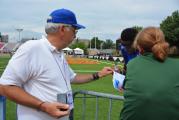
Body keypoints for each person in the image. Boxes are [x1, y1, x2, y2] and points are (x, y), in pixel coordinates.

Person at [0, 8, 113, 120]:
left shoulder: (58, 53)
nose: (75, 36)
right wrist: (43, 106)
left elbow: (73, 78)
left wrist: (99, 74)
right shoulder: (32, 48)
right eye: (75, 30)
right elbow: (5, 87)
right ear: (63, 29)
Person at [120, 27, 179, 120]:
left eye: (127, 45)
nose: (124, 48)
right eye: (123, 44)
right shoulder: (176, 65)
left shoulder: (133, 63)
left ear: (138, 45)